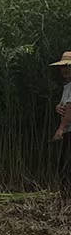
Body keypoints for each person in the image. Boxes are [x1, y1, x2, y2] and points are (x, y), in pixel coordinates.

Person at [50, 51, 71, 193]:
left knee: (67, 166)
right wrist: (58, 107)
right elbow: (65, 106)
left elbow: (70, 107)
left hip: (69, 130)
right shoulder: (67, 86)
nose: (64, 69)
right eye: (63, 66)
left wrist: (61, 128)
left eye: (68, 66)